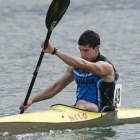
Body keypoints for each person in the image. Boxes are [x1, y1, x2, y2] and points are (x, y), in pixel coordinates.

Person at [19, 30, 119, 112]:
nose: (82, 55)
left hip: (104, 110)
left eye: (86, 50)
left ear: (97, 48)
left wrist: (54, 51)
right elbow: (57, 87)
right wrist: (32, 100)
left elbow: (84, 65)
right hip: (81, 109)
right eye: (80, 50)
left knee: (81, 103)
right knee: (60, 108)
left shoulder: (105, 67)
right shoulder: (74, 67)